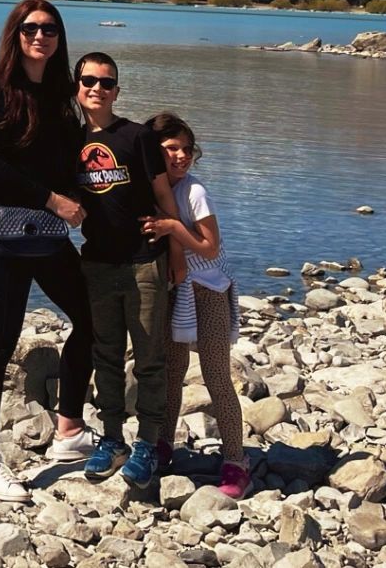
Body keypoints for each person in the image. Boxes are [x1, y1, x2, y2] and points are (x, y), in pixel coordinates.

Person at [0, 0, 98, 503]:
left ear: (60, 38)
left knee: (91, 318)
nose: (39, 36)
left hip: (47, 235)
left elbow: (76, 162)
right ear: (14, 35)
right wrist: (54, 201)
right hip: (3, 237)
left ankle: (68, 430)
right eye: (30, 28)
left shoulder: (64, 98)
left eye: (49, 29)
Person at [73, 52, 184, 489]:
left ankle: (148, 444)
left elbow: (164, 196)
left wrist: (176, 251)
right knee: (107, 356)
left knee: (150, 360)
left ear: (117, 91)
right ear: (77, 87)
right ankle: (112, 438)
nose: (97, 88)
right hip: (97, 264)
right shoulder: (70, 141)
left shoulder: (136, 137)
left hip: (143, 263)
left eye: (106, 82)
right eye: (88, 80)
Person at [143, 112, 250, 498]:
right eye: (172, 148)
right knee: (172, 371)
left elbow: (210, 247)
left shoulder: (194, 192)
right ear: (155, 152)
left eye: (187, 149)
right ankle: (163, 445)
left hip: (209, 289)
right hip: (174, 290)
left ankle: (236, 459)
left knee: (217, 374)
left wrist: (173, 227)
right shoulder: (149, 189)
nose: (182, 156)